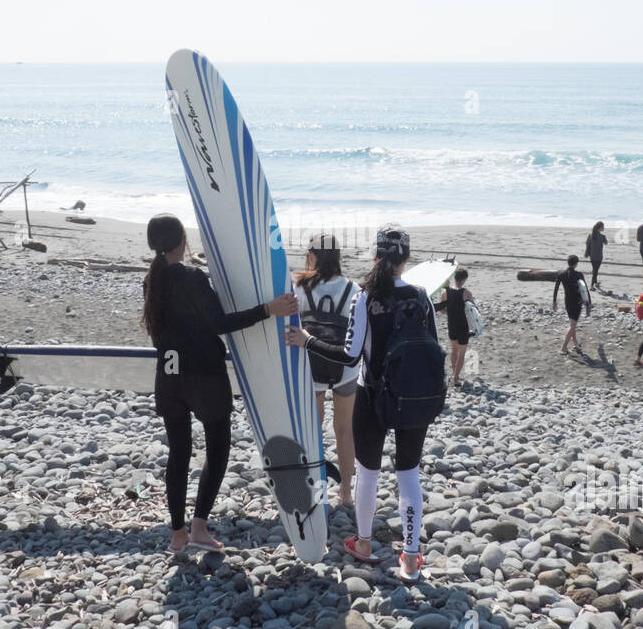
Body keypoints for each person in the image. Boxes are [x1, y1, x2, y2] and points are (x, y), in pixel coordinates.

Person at [284, 224, 445, 583]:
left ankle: (366, 544)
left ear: (376, 256)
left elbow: (350, 357)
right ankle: (410, 558)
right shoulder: (421, 296)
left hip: (372, 396)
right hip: (414, 397)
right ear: (405, 259)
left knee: (368, 473)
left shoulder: (366, 296)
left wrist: (308, 341)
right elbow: (433, 350)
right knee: (409, 476)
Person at [141, 214, 298, 553]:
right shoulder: (191, 278)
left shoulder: (152, 280)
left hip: (168, 378)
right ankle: (198, 527)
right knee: (217, 448)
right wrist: (268, 309)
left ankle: (177, 534)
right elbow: (219, 323)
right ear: (181, 240)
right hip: (203, 377)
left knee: (178, 453)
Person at [294, 232, 360, 507]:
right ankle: (346, 492)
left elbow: (291, 325)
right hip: (344, 366)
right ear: (338, 257)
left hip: (311, 364)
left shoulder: (299, 286)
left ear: (312, 255)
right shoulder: (352, 287)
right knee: (344, 429)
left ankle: (314, 491)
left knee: (313, 429)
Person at [435, 267, 475, 386]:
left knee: (454, 350)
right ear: (464, 280)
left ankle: (454, 374)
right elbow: (473, 310)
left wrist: (450, 312)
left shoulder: (445, 292)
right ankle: (456, 378)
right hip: (463, 325)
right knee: (462, 353)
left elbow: (442, 310)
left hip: (451, 324)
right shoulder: (466, 293)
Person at [552, 255, 590, 355]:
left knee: (572, 324)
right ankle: (563, 348)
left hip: (567, 302)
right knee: (572, 326)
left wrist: (554, 301)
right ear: (576, 264)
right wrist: (588, 302)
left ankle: (576, 344)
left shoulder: (561, 274)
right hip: (577, 302)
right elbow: (585, 289)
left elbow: (556, 288)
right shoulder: (579, 274)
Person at [584, 221, 609, 290]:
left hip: (592, 256)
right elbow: (606, 243)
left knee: (595, 270)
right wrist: (605, 238)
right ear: (600, 228)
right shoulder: (602, 236)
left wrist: (587, 252)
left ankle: (595, 283)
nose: (604, 228)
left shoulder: (590, 235)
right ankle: (591, 285)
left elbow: (587, 244)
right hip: (599, 256)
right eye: (603, 227)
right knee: (595, 271)